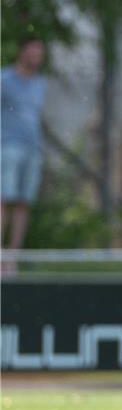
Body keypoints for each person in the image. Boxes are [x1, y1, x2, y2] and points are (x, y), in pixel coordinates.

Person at [1, 37, 47, 257]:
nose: (37, 57)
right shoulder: (5, 79)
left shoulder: (40, 83)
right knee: (3, 199)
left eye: (40, 53)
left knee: (23, 202)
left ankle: (13, 257)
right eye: (33, 52)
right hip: (8, 146)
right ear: (22, 52)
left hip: (33, 149)